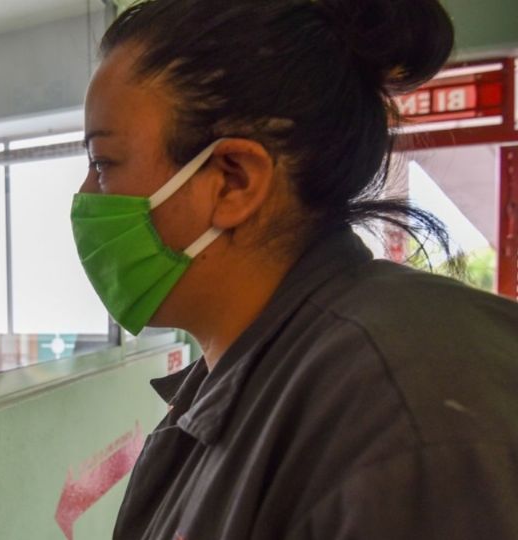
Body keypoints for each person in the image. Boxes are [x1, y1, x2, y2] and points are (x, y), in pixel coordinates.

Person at [70, 0, 518, 538]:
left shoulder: (394, 413)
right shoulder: (254, 370)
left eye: (103, 164)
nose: (84, 198)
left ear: (233, 180)